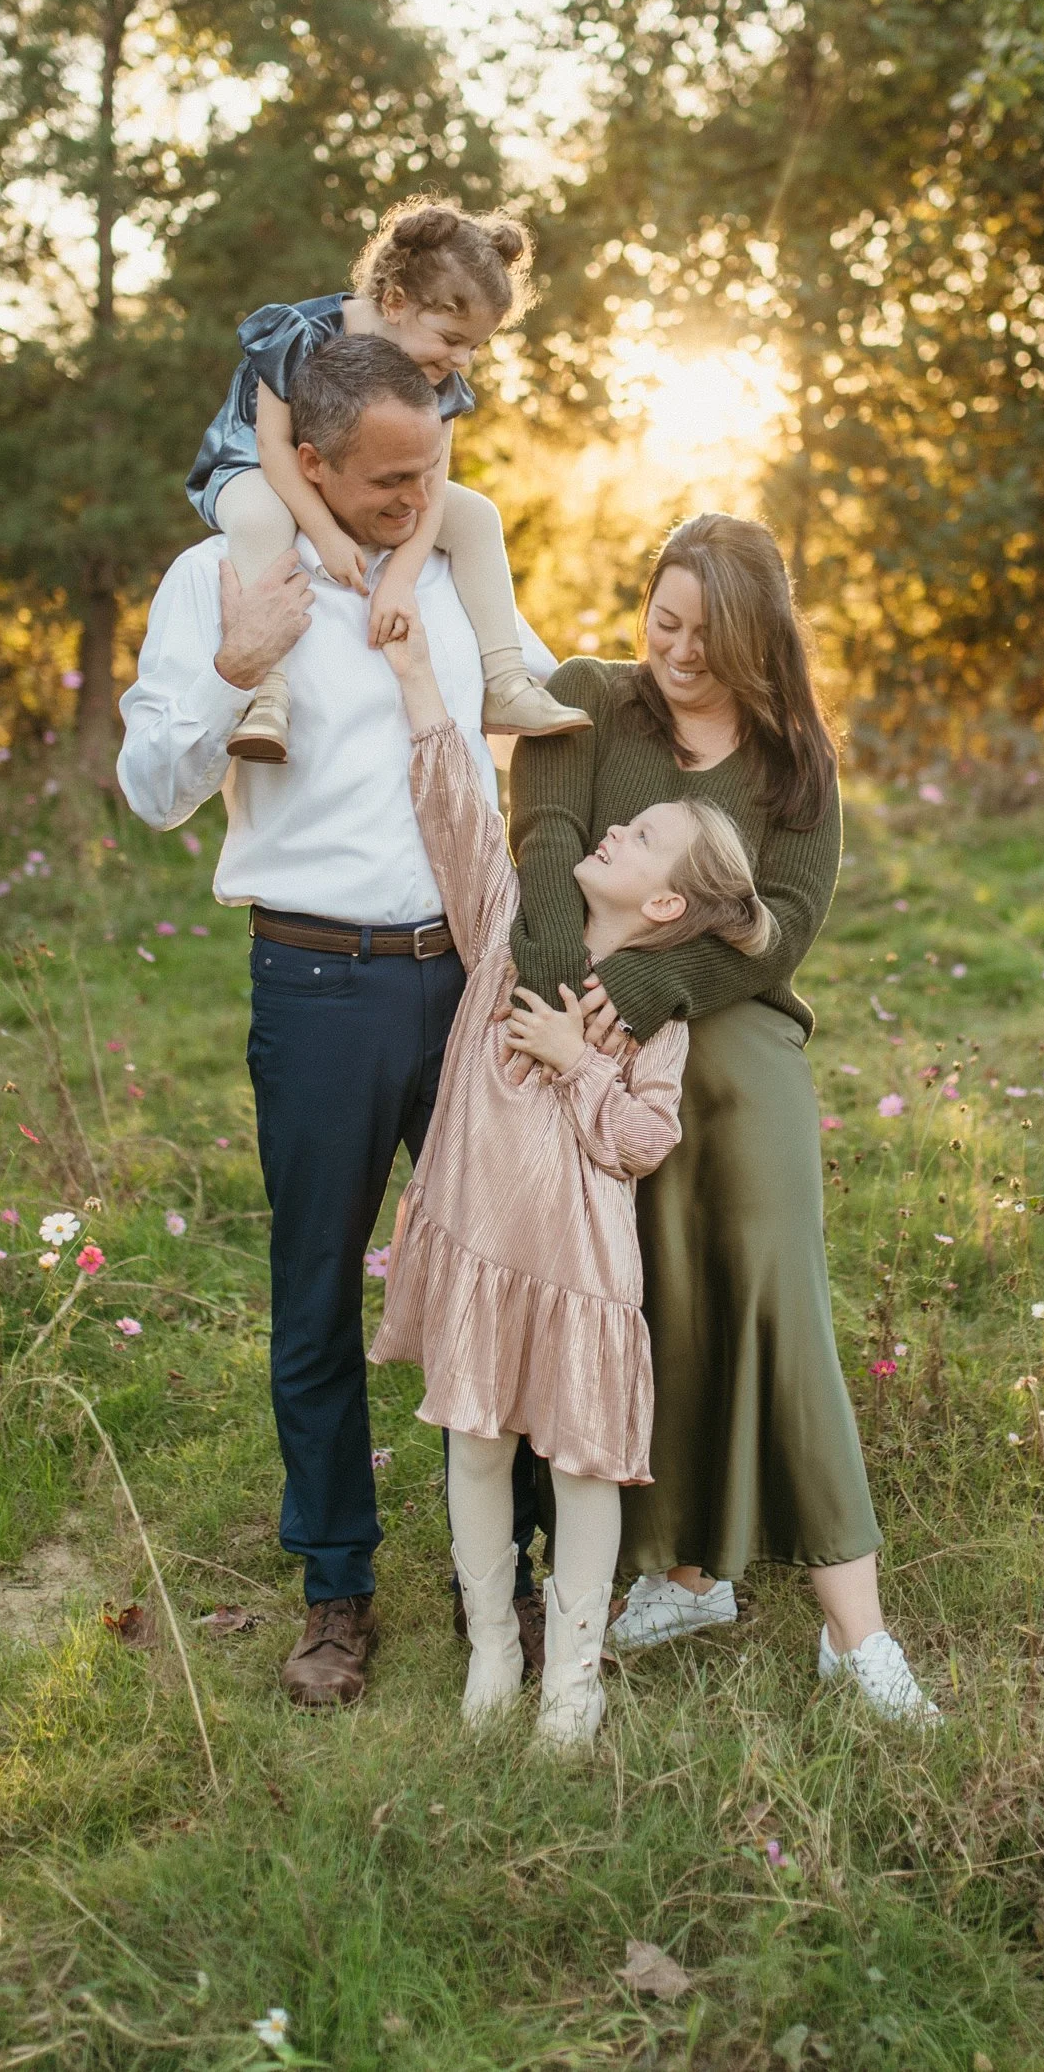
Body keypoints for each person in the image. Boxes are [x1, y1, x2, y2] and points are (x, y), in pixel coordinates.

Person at [119, 332, 550, 1708]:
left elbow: (532, 712)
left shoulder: (446, 557)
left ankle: (520, 1577)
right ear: (302, 463)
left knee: (507, 1275)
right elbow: (148, 786)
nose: (413, 495)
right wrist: (227, 666)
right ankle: (334, 1592)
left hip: (469, 981)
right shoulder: (218, 578)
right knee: (313, 1297)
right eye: (383, 479)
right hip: (313, 986)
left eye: (430, 468)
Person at [509, 514, 938, 1724]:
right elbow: (542, 844)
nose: (680, 650)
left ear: (760, 639)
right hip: (577, 1040)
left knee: (764, 1280)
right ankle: (687, 1575)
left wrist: (651, 987)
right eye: (666, 617)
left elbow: (783, 926)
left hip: (733, 1036)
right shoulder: (585, 698)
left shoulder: (794, 761)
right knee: (644, 1294)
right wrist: (569, 997)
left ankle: (856, 1639)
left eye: (709, 633)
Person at [368, 602, 776, 1747]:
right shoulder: (511, 930)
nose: (609, 831)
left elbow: (645, 1141)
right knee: (479, 1445)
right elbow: (458, 817)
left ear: (660, 905)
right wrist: (414, 678)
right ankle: (493, 1650)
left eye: (638, 837)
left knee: (586, 1472)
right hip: (482, 1242)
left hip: (582, 1277)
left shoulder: (650, 1017)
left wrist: (572, 1065)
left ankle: (573, 1680)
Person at [185, 197, 589, 762]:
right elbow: (272, 448)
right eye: (452, 339)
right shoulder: (300, 334)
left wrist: (399, 578)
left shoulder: (435, 373)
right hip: (253, 464)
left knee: (476, 514)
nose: (464, 360)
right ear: (395, 301)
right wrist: (325, 535)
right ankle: (268, 698)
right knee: (260, 517)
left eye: (475, 346)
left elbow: (431, 488)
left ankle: (505, 679)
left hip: (357, 478)